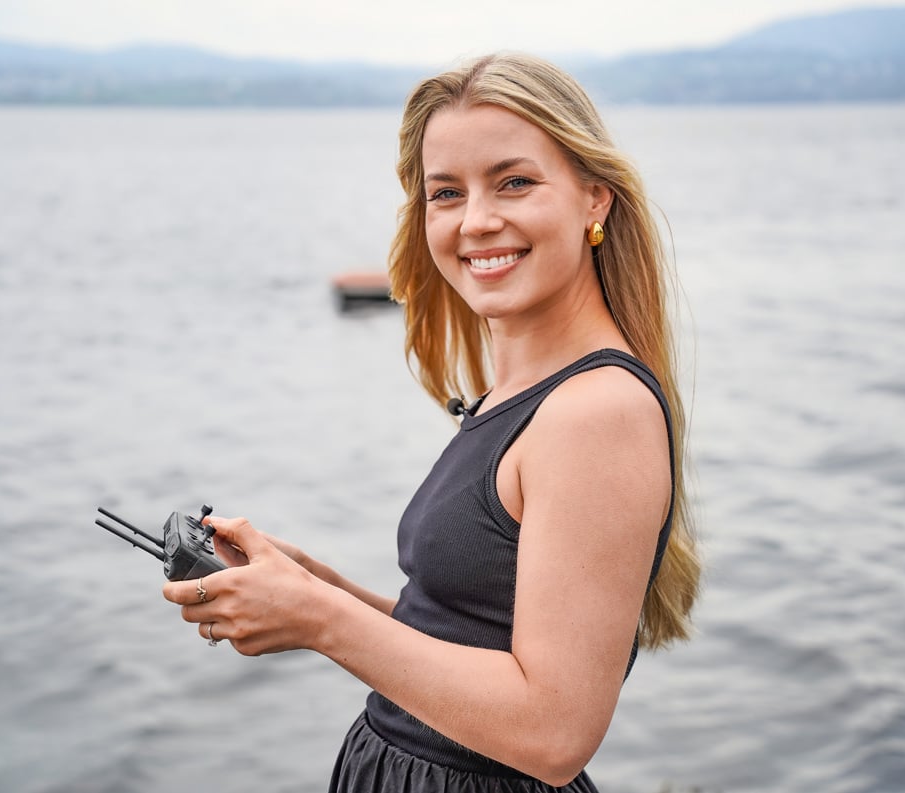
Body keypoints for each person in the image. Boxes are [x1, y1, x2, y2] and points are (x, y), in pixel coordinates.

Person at [163, 52, 701, 792]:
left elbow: (554, 733)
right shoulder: (518, 392)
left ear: (593, 200)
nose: (477, 220)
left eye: (514, 181)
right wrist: (315, 586)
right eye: (446, 193)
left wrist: (320, 619)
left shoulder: (596, 411)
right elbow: (467, 635)